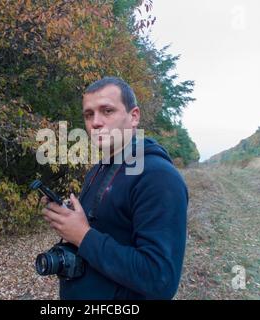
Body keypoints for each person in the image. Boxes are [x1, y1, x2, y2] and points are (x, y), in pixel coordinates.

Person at [41, 76, 188, 300]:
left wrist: (83, 235)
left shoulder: (158, 177)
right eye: (89, 114)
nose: (95, 122)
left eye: (107, 111)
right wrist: (70, 219)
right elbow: (108, 228)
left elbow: (160, 279)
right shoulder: (98, 170)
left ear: (134, 116)